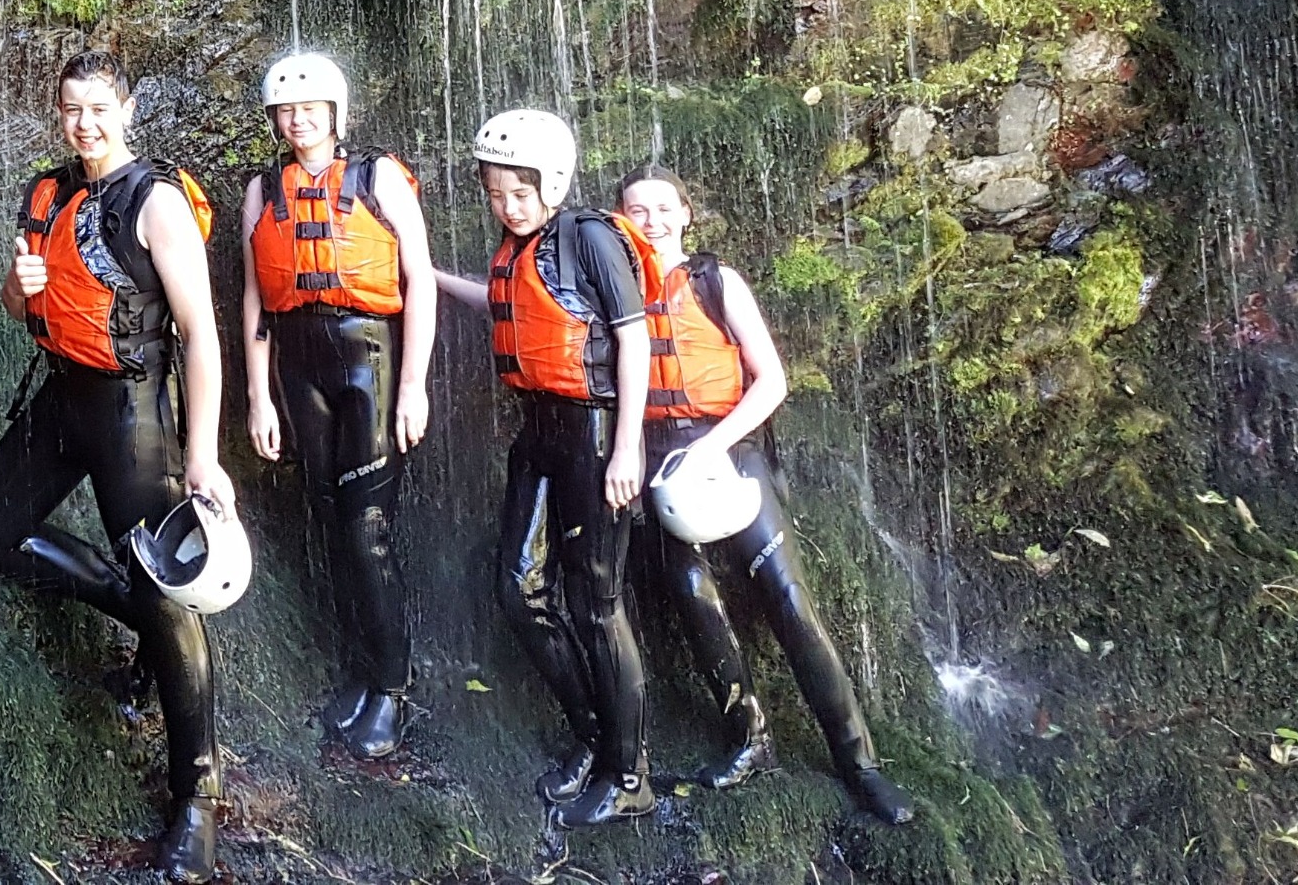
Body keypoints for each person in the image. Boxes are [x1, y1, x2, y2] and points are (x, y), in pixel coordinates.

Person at [0, 49, 232, 884]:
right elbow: (20, 309)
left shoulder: (155, 201)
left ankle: (199, 797)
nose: (86, 123)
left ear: (128, 108)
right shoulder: (47, 192)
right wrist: (17, 282)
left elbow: (202, 336)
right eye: (72, 108)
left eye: (100, 108)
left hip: (133, 409)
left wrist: (202, 457)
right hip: (62, 395)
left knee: (166, 589)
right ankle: (128, 604)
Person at [616, 173, 915, 825]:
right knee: (695, 602)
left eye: (664, 207)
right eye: (637, 209)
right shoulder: (617, 290)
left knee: (788, 599)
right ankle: (749, 740)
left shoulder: (716, 281)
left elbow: (771, 379)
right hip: (656, 458)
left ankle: (859, 763)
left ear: (687, 214)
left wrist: (714, 444)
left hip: (730, 449)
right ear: (620, 218)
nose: (653, 219)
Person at [432, 108, 653, 827]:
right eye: (495, 194)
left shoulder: (588, 236)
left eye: (518, 194)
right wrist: (428, 277)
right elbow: (502, 304)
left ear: (552, 183)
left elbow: (633, 341)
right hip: (539, 432)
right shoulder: (513, 247)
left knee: (596, 604)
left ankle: (631, 774)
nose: (506, 206)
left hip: (593, 433)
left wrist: (627, 448)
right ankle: (592, 739)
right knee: (517, 588)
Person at [239, 50, 435, 762]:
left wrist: (413, 385)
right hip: (301, 363)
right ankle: (360, 670)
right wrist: (259, 395)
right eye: (287, 111)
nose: (298, 120)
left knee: (368, 527)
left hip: (369, 358)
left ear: (335, 113)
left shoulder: (378, 177)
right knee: (329, 519)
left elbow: (420, 281)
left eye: (310, 108)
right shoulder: (264, 189)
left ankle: (392, 688)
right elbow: (256, 297)